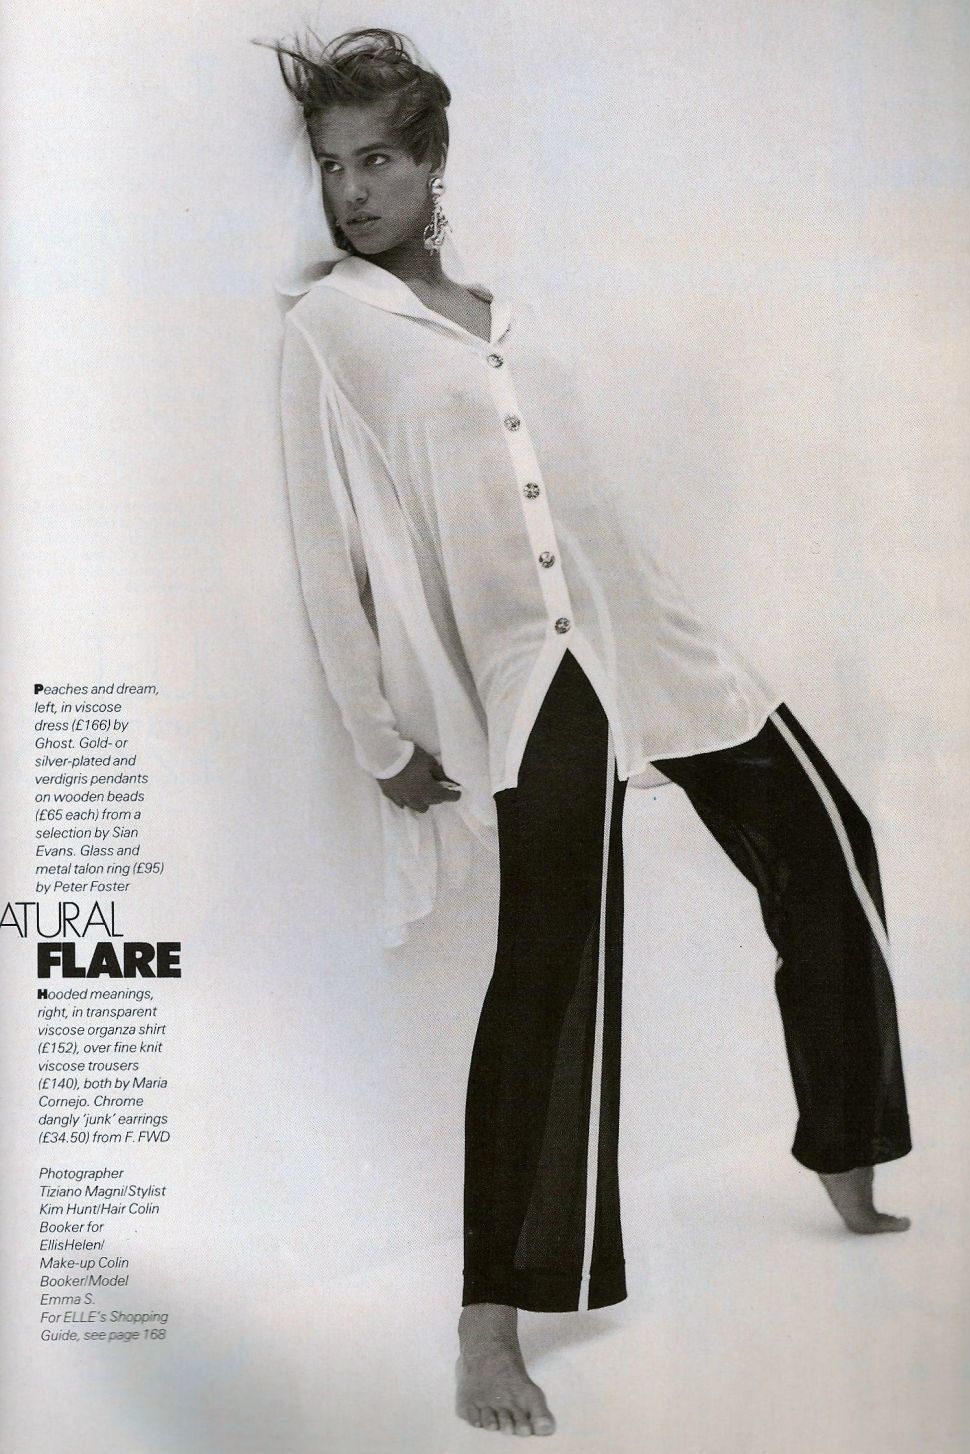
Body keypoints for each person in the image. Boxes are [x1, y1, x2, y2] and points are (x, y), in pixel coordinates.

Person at [264, 27, 913, 1438]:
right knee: (548, 972)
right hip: (533, 677)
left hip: (650, 640)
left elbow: (590, 502)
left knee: (831, 843)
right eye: (332, 166)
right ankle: (487, 1325)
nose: (353, 190)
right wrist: (380, 738)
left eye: (379, 158)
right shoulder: (327, 332)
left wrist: (686, 634)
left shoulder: (518, 314)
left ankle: (847, 1148)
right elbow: (329, 559)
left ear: (435, 163)